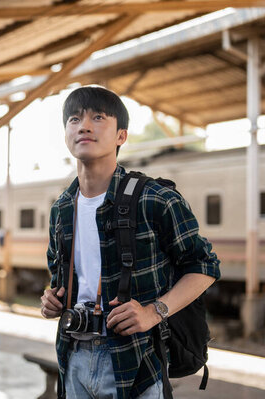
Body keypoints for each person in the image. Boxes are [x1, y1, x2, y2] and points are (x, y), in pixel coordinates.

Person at [40, 86, 220, 399]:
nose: (83, 125)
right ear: (66, 133)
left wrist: (155, 311)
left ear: (121, 136)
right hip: (73, 358)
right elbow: (60, 278)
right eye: (73, 119)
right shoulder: (62, 208)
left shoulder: (155, 199)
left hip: (136, 360)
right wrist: (51, 300)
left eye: (98, 117)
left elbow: (204, 266)